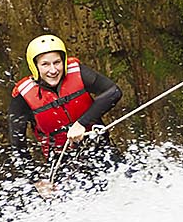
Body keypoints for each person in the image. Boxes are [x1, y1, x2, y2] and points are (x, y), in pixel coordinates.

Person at [7, 33, 124, 195]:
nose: (53, 70)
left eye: (57, 62)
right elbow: (18, 147)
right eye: (45, 65)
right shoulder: (22, 97)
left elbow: (113, 92)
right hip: (63, 163)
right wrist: (37, 181)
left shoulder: (79, 73)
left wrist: (81, 123)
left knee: (127, 184)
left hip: (98, 148)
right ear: (35, 66)